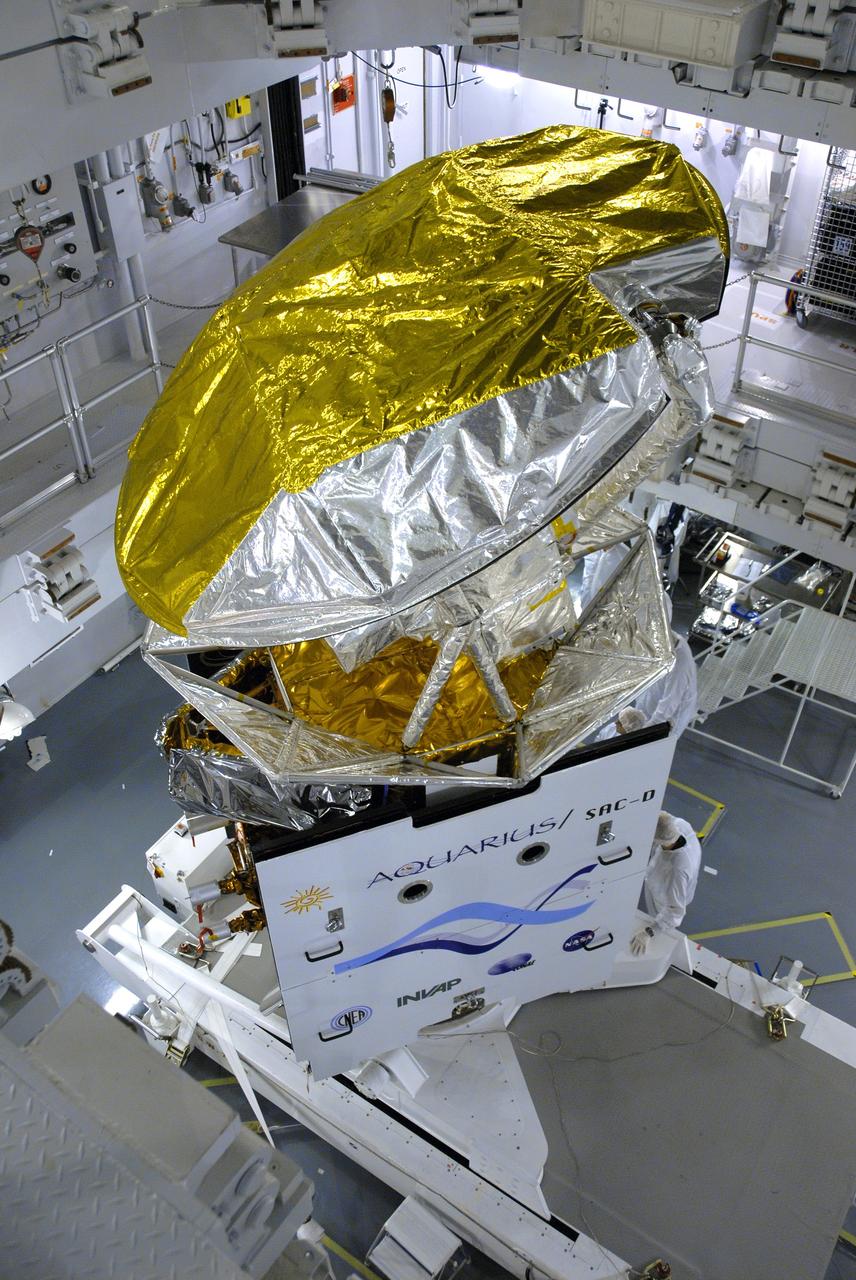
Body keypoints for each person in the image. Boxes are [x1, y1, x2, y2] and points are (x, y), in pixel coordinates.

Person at [630, 810, 702, 955]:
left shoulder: (677, 871)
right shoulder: (677, 825)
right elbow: (662, 820)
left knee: (654, 917)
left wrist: (650, 931)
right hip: (659, 881)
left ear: (659, 841)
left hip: (664, 900)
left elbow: (675, 911)